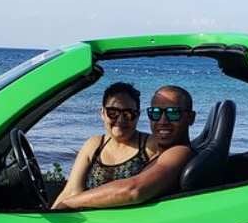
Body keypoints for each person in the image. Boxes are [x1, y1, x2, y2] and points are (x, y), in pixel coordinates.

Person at [51, 83, 195, 210]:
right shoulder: (94, 144)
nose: (163, 121)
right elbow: (70, 190)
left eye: (173, 113)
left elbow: (133, 190)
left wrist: (70, 203)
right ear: (102, 113)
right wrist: (52, 217)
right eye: (156, 113)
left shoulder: (168, 149)